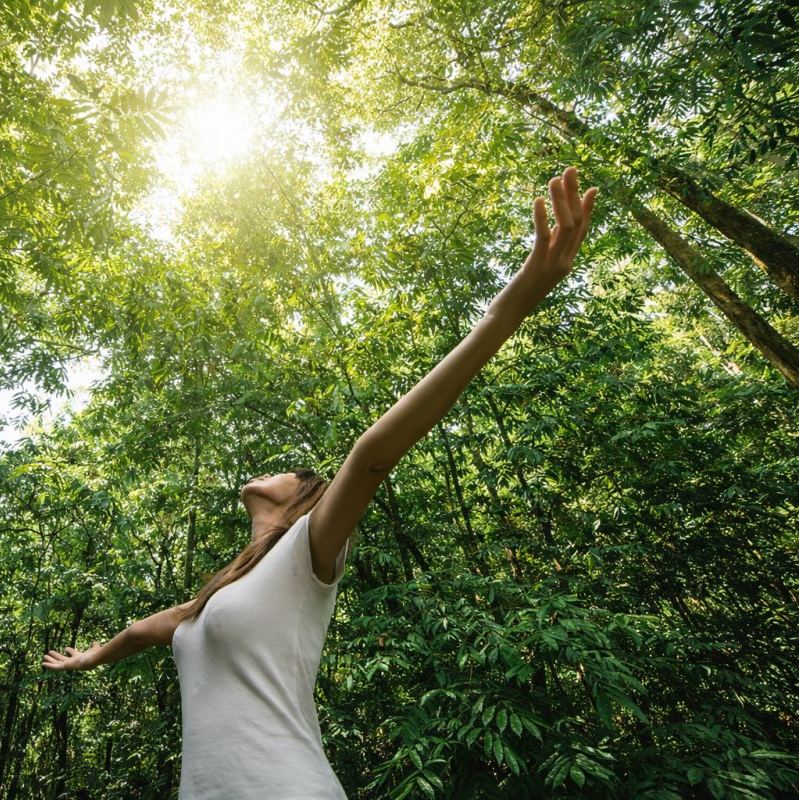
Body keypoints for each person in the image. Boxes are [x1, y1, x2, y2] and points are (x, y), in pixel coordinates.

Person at [42, 167, 598, 797]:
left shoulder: (309, 548)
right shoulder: (217, 597)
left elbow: (368, 456)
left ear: (302, 497)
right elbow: (145, 630)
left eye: (291, 471)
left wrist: (514, 302)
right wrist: (87, 658)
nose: (271, 469)